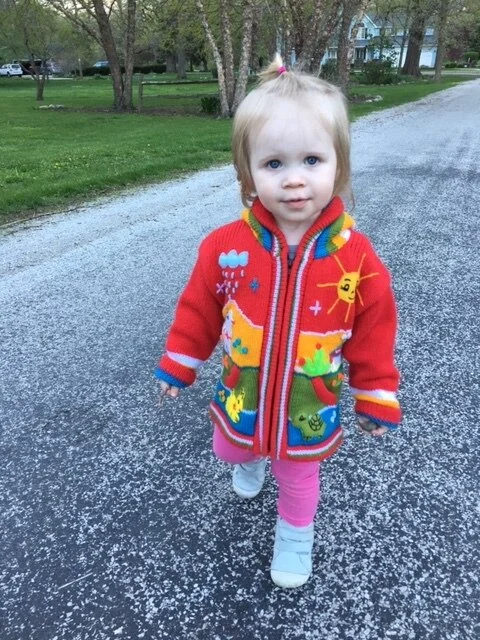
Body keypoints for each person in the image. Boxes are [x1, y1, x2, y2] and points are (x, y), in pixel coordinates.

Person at [154, 54, 401, 589]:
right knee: (228, 446)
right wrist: (180, 362)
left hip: (308, 402)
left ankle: (295, 536)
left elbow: (375, 328)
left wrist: (376, 392)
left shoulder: (355, 256)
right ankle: (249, 459)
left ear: (339, 166)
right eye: (273, 164)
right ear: (248, 173)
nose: (294, 180)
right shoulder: (225, 247)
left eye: (312, 160)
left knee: (299, 474)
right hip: (242, 389)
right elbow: (198, 308)